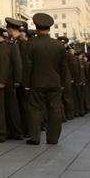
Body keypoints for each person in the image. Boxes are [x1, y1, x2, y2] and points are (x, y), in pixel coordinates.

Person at [24, 13, 73, 144]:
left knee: (35, 109)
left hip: (36, 82)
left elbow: (28, 65)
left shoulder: (31, 44)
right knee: (55, 109)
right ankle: (53, 138)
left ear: (36, 26)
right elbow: (63, 66)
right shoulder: (58, 45)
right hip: (55, 83)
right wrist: (62, 82)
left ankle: (35, 138)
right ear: (50, 28)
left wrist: (27, 83)